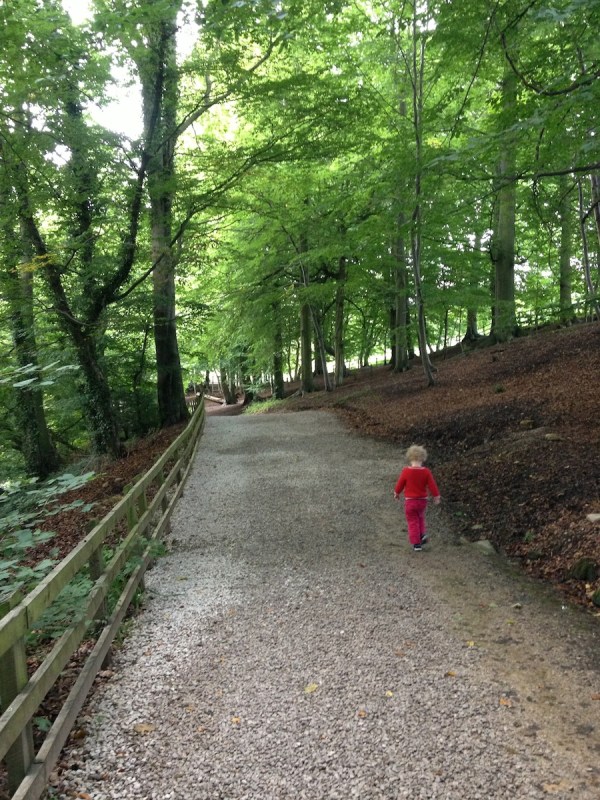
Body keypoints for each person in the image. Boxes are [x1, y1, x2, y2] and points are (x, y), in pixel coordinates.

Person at [393, 444, 441, 552]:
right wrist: (436, 496)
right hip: (422, 501)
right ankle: (422, 535)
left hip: (410, 501)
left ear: (410, 457)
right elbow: (432, 485)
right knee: (420, 518)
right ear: (423, 458)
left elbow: (400, 484)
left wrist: (396, 493)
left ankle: (416, 543)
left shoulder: (406, 471)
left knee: (412, 521)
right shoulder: (426, 472)